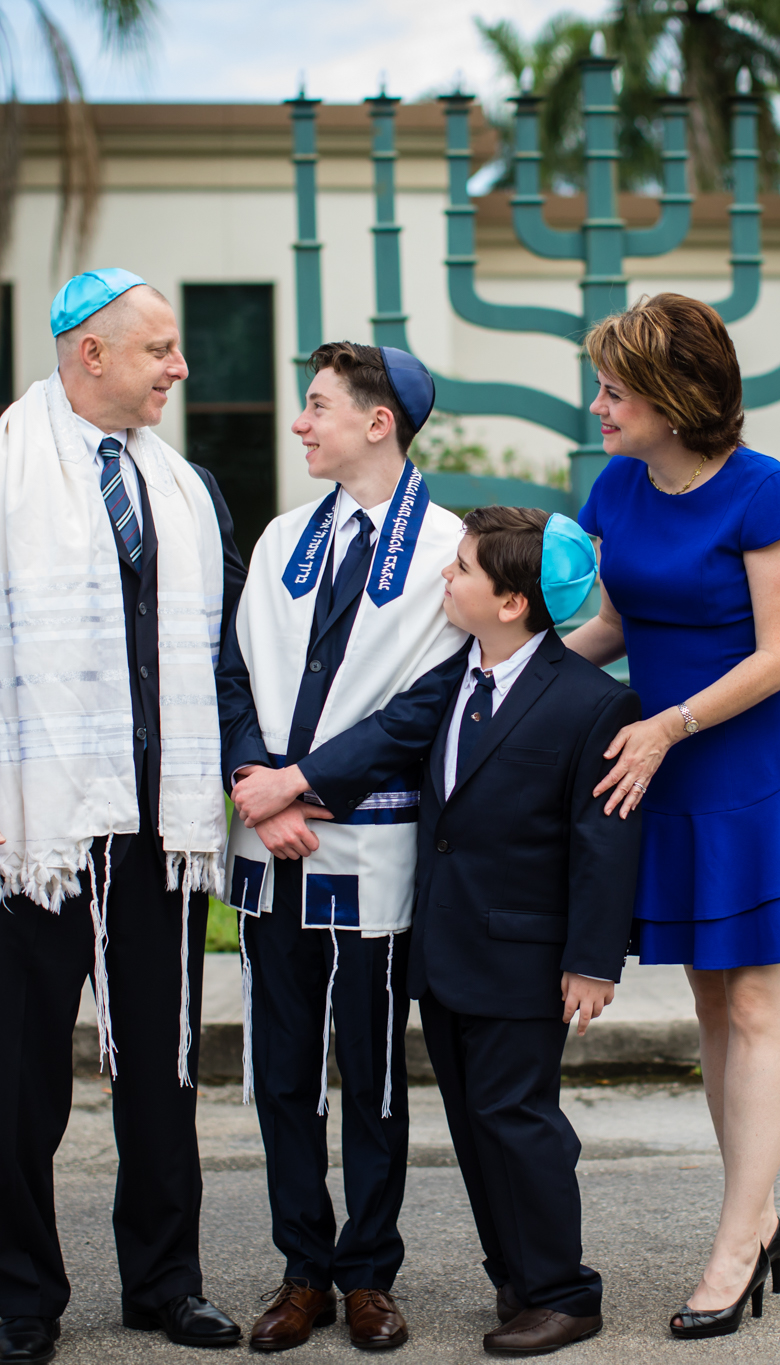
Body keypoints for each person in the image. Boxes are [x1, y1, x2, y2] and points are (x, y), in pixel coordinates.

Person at [0, 269, 249, 1362]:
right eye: (159, 351)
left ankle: (163, 1284)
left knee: (163, 1068)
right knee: (21, 1077)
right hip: (25, 836)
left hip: (156, 832)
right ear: (88, 353)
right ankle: (27, 1302)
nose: (178, 370)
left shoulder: (188, 492)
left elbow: (216, 657)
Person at [564, 293, 780, 1340]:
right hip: (673, 776)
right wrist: (511, 678)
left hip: (754, 774)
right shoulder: (615, 487)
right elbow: (615, 622)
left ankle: (736, 1246)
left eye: (614, 391)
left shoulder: (763, 492)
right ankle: (762, 1211)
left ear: (669, 398)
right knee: (709, 1008)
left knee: (754, 1007)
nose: (598, 405)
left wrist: (666, 727)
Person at [218, 341, 469, 1352]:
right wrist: (253, 783)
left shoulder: (448, 545)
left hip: (365, 851)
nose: (299, 423)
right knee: (281, 1073)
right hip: (271, 845)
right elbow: (229, 670)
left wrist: (303, 782)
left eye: (315, 406)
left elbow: (427, 704)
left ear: (378, 422)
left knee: (366, 1075)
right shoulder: (284, 538)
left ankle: (368, 1272)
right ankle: (301, 1270)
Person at [409, 505, 642, 1356]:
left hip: (525, 953)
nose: (447, 577)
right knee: (476, 1121)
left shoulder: (592, 703)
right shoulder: (452, 681)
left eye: (463, 567)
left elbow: (603, 842)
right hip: (444, 948)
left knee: (519, 1114)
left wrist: (592, 959)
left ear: (512, 601)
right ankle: (515, 1273)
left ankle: (564, 1291)